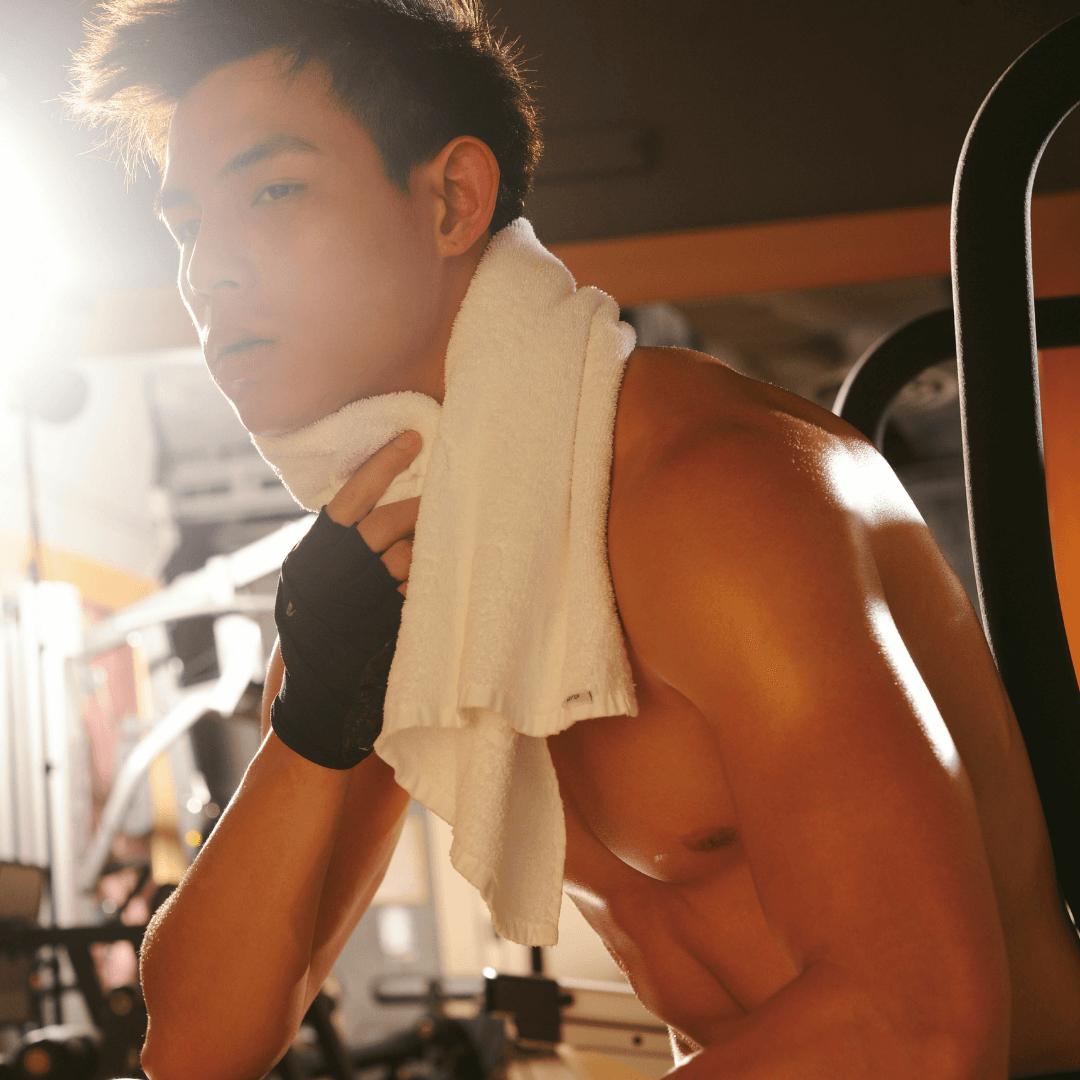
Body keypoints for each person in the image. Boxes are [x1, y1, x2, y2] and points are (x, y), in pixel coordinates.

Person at [63, 2, 1080, 1077]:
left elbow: (923, 1030)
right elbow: (196, 1051)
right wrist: (309, 730)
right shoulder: (400, 553)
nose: (208, 271)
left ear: (454, 200)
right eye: (188, 226)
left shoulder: (715, 494)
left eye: (274, 191)